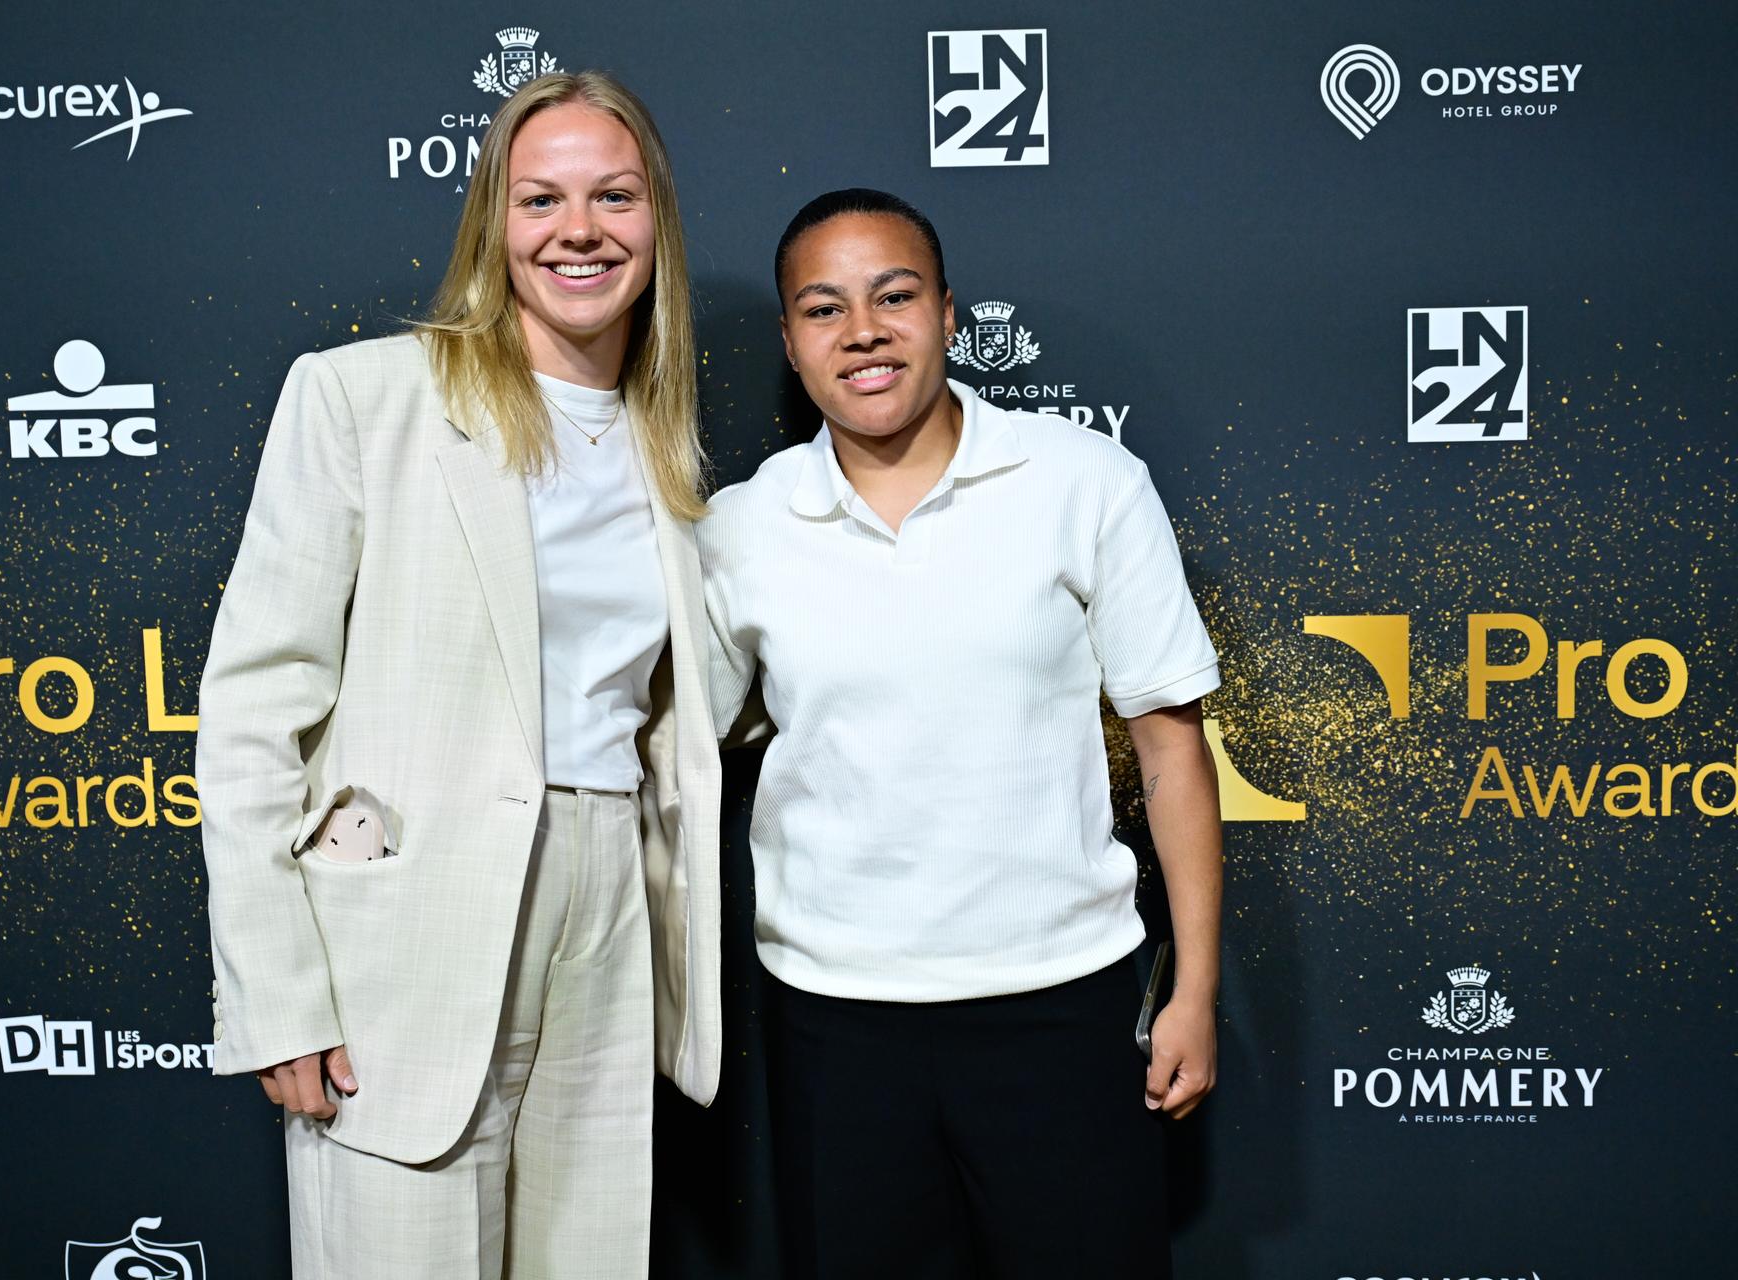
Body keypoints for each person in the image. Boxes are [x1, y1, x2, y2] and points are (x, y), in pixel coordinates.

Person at [196, 72, 721, 1280]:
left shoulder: (666, 443)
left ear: (657, 224)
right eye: (540, 198)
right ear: (494, 220)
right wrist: (278, 995)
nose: (578, 229)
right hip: (407, 923)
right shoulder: (364, 397)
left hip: (608, 909)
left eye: (614, 196)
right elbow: (250, 714)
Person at [697, 188, 1223, 1278]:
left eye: (894, 296)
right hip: (835, 1022)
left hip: (1062, 1008)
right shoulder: (744, 526)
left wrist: (1195, 990)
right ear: (792, 343)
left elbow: (1173, 750)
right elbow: (678, 746)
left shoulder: (1085, 482)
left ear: (947, 312)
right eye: (824, 308)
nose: (864, 332)